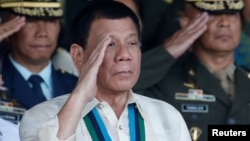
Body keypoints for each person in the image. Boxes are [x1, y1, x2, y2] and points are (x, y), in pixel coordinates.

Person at [19, 1, 192, 141]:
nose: (124, 55)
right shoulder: (42, 116)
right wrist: (81, 94)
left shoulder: (167, 116)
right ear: (79, 55)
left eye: (132, 43)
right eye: (109, 44)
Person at [139, 0, 250, 141]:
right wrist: (167, 52)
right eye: (212, 14)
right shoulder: (164, 80)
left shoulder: (247, 80)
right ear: (187, 23)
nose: (224, 23)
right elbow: (119, 89)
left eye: (232, 14)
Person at [0, 0, 78, 110]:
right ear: (6, 26)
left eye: (51, 20)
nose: (42, 33)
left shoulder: (76, 87)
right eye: (30, 21)